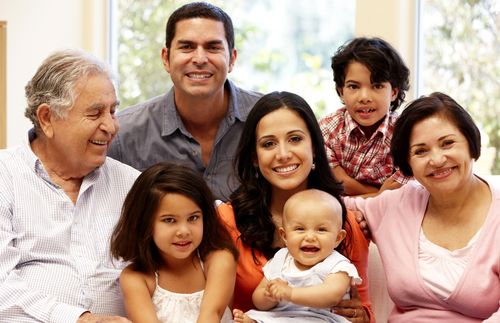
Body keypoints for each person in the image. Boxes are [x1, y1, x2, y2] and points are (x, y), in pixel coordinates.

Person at [0, 49, 140, 322]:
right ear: (47, 118)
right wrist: (79, 319)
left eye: (113, 111)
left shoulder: (132, 184)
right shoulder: (5, 175)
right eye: (95, 113)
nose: (110, 126)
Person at [218, 91, 373, 322]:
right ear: (254, 157)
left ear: (314, 148)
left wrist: (360, 316)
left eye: (295, 139)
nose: (283, 154)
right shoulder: (227, 220)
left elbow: (363, 308)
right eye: (269, 144)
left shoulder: (345, 221)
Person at [345, 92, 500, 322]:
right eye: (420, 151)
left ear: (470, 143)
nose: (436, 160)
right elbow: (326, 202)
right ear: (408, 163)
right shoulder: (395, 204)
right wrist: (353, 220)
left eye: (447, 143)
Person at [108, 2, 262, 201]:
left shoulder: (268, 120)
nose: (199, 58)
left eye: (213, 47)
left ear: (232, 59)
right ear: (166, 59)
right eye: (187, 47)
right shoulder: (123, 135)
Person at [110, 162, 238, 323]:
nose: (184, 231)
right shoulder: (136, 278)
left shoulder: (219, 260)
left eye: (193, 218)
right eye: (169, 220)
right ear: (145, 223)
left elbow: (210, 316)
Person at [233, 189, 361, 323]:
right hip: (281, 317)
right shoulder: (280, 259)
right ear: (285, 236)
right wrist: (269, 295)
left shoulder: (337, 265)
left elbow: (332, 295)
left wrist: (290, 293)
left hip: (321, 318)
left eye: (321, 230)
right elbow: (257, 299)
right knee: (259, 316)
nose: (310, 237)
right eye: (300, 229)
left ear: (338, 238)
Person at [319, 37, 411, 197]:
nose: (364, 97)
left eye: (377, 86)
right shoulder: (327, 129)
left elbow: (402, 192)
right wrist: (379, 194)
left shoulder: (405, 133)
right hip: (338, 212)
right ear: (341, 91)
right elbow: (339, 182)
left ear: (394, 92)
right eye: (353, 86)